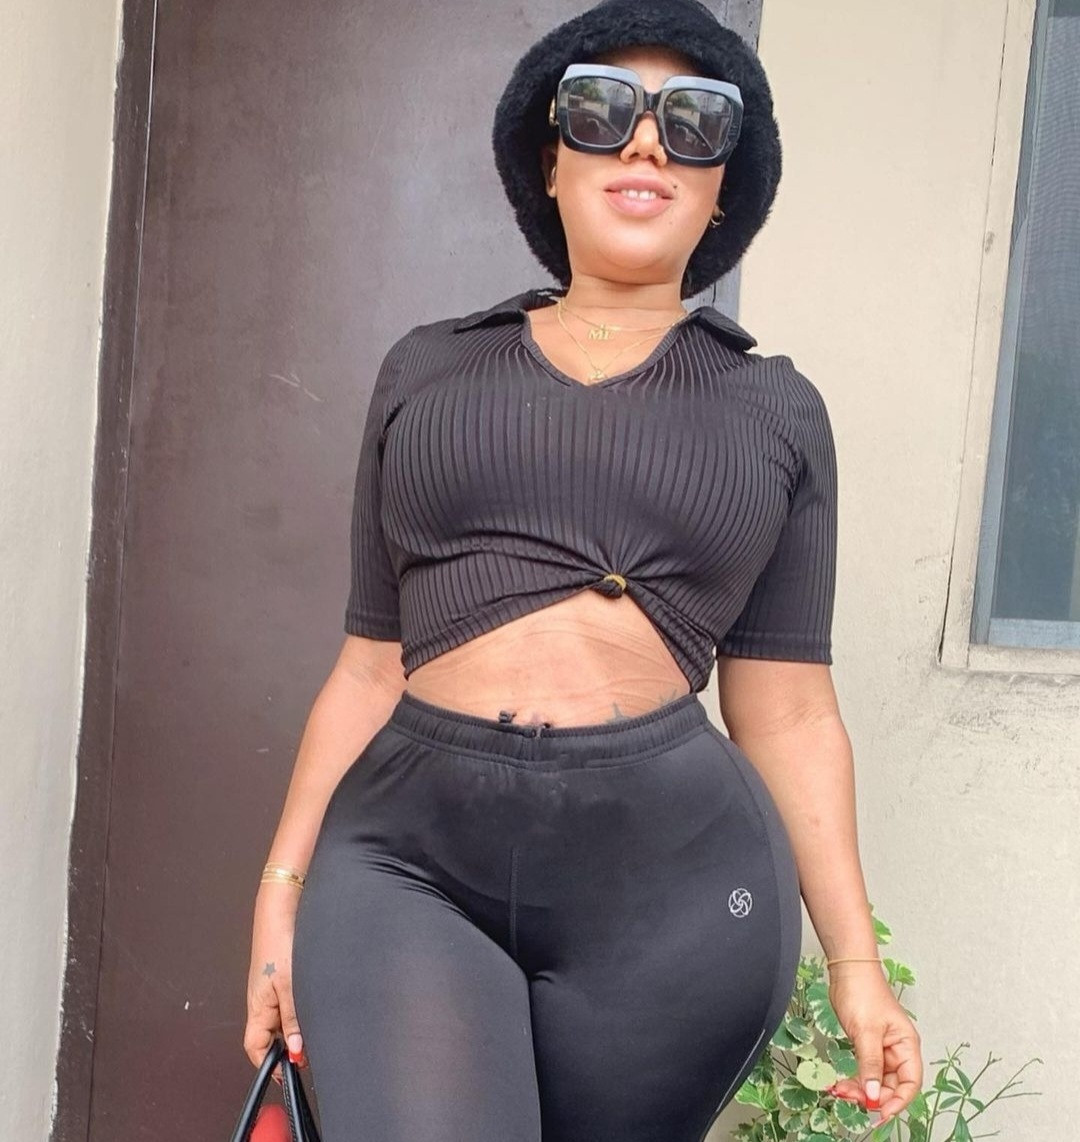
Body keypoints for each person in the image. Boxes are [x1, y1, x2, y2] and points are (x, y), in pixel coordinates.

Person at [244, 1, 923, 1139]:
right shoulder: (429, 369)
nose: (647, 141)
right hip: (410, 861)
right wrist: (279, 898)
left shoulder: (776, 407)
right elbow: (368, 664)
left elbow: (792, 710)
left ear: (721, 190)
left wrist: (856, 963)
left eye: (693, 123)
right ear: (551, 163)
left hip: (673, 885)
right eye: (602, 110)